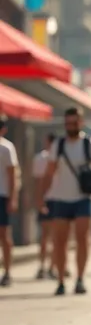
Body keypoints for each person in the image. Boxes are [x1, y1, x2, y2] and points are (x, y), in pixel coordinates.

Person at [40, 107, 91, 296]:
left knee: (82, 239)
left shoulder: (90, 144)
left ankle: (80, 278)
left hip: (83, 198)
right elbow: (49, 173)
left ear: (81, 123)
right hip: (61, 198)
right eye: (67, 124)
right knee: (60, 241)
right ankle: (60, 281)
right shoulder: (58, 144)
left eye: (74, 123)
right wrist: (40, 196)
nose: (70, 127)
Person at [33, 133, 57, 280]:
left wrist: (38, 199)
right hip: (57, 199)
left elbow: (37, 182)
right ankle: (51, 267)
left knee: (45, 235)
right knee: (55, 236)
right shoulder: (47, 158)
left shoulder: (40, 158)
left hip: (49, 199)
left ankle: (44, 267)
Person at [0, 116, 19, 288]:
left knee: (4, 235)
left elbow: (13, 175)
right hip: (4, 195)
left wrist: (13, 198)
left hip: (2, 195)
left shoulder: (7, 148)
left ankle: (7, 271)